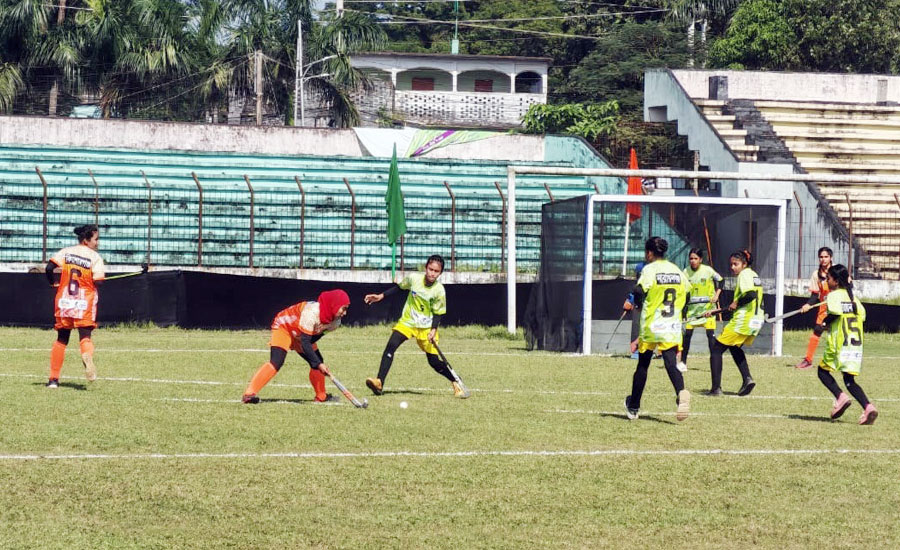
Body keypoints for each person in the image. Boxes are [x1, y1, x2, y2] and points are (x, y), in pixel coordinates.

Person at [364, 254, 466, 398]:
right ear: (426, 268)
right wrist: (381, 296)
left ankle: (455, 380)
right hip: (408, 322)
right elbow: (400, 288)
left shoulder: (439, 290)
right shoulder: (414, 279)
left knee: (434, 362)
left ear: (440, 273)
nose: (432, 273)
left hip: (426, 328)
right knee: (391, 346)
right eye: (430, 269)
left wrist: (433, 330)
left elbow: (438, 313)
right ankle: (379, 382)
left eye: (436, 271)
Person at [624, 237, 692, 421]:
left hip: (652, 324)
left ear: (649, 253)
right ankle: (680, 392)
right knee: (670, 362)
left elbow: (638, 291)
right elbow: (687, 292)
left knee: (643, 364)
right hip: (671, 324)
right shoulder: (676, 270)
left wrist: (637, 304)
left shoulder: (649, 269)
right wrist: (682, 311)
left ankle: (634, 406)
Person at [242, 289, 350, 404]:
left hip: (302, 334)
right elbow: (305, 342)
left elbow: (312, 339)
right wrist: (318, 364)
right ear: (334, 305)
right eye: (344, 308)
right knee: (276, 361)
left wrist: (318, 363)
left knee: (317, 361)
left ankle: (321, 396)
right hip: (284, 327)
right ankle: (249, 394)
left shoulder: (335, 323)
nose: (345, 313)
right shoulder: (311, 312)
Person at [44, 224, 106, 388]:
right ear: (86, 240)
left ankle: (53, 380)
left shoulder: (66, 252)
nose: (97, 243)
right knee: (85, 337)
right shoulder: (95, 257)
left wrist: (53, 283)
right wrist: (96, 280)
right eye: (96, 239)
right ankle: (86, 355)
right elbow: (98, 280)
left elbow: (49, 268)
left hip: (64, 300)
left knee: (61, 339)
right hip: (84, 301)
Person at [814, 264, 877, 425]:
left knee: (822, 371)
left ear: (835, 281)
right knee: (849, 380)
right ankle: (868, 407)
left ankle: (841, 397)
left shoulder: (834, 296)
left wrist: (822, 324)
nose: (827, 281)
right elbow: (861, 316)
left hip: (839, 344)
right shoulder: (853, 299)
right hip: (855, 347)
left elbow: (835, 314)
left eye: (828, 278)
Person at [706, 250, 763, 397]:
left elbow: (751, 295)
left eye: (736, 264)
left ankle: (715, 389)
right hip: (756, 320)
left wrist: (736, 302)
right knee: (734, 347)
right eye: (731, 264)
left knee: (716, 349)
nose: (732, 267)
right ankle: (747, 379)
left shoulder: (744, 275)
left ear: (744, 264)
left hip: (743, 320)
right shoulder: (754, 275)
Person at [679, 248, 723, 372]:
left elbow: (721, 280)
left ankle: (714, 363)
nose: (693, 261)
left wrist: (716, 295)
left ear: (701, 259)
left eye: (695, 259)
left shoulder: (708, 270)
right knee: (687, 336)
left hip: (707, 310)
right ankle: (683, 362)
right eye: (691, 258)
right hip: (692, 311)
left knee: (711, 337)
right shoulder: (685, 272)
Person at [795, 247, 836, 369]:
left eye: (826, 257)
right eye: (821, 257)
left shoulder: (837, 270)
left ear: (830, 258)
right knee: (817, 330)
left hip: (838, 306)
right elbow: (815, 295)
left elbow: (848, 285)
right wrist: (808, 304)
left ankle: (839, 360)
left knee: (837, 333)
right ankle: (808, 360)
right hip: (824, 308)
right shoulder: (816, 274)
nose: (823, 259)